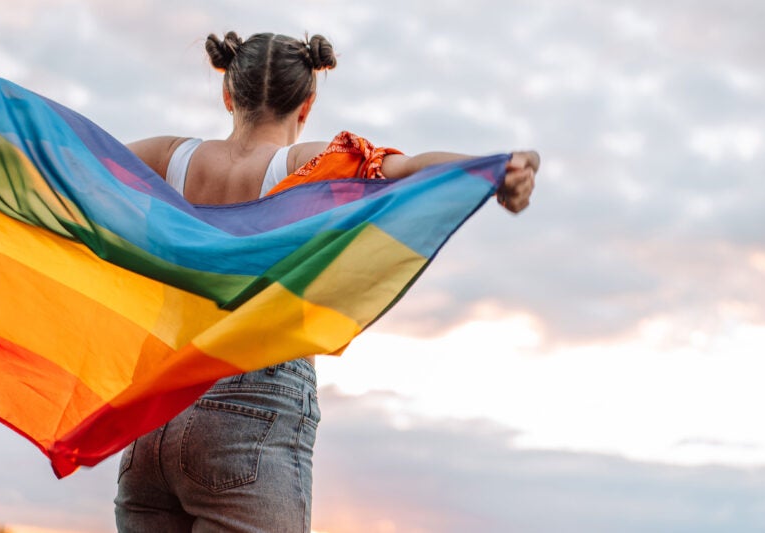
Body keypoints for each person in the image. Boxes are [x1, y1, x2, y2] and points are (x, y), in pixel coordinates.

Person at [113, 31, 539, 533]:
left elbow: (67, 157)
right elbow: (404, 170)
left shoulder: (168, 157)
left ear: (227, 93)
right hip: (249, 413)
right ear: (306, 105)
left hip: (152, 419)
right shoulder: (304, 166)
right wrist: (494, 171)